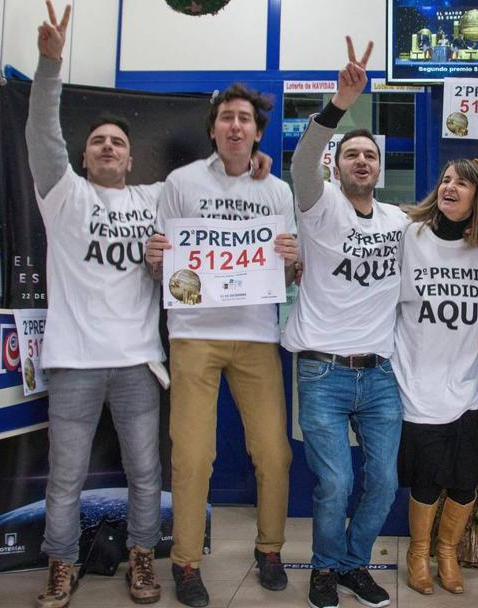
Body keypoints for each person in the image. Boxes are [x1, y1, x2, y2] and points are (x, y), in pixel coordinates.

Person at [26, 2, 163, 605]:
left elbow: (217, 203)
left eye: (118, 143)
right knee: (65, 479)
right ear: (84, 157)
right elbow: (41, 133)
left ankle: (141, 560)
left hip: (137, 361)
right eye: (98, 142)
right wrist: (50, 64)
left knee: (145, 475)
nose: (108, 147)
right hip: (74, 361)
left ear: (132, 159)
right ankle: (61, 564)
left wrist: (259, 167)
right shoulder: (64, 197)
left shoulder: (157, 198)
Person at [144, 84, 298, 607]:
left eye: (245, 119)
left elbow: (293, 268)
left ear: (258, 131)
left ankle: (270, 550)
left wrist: (292, 256)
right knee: (191, 455)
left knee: (274, 453)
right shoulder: (181, 182)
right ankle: (186, 563)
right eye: (227, 118)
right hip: (193, 333)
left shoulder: (277, 190)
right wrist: (156, 255)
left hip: (257, 333)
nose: (236, 126)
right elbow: (161, 260)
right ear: (212, 128)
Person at [281, 37, 409, 608]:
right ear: (339, 165)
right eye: (353, 154)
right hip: (322, 372)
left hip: (380, 374)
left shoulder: (399, 219)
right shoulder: (319, 203)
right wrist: (339, 105)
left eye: (371, 156)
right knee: (335, 482)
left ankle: (354, 563)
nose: (362, 161)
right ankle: (324, 570)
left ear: (380, 169)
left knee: (383, 482)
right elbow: (301, 162)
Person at [394, 159, 478, 596]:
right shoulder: (411, 237)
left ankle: (447, 551)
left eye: (462, 183)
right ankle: (418, 553)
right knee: (427, 480)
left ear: (477, 195)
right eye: (445, 179)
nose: (450, 187)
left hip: (464, 386)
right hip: (416, 383)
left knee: (465, 482)